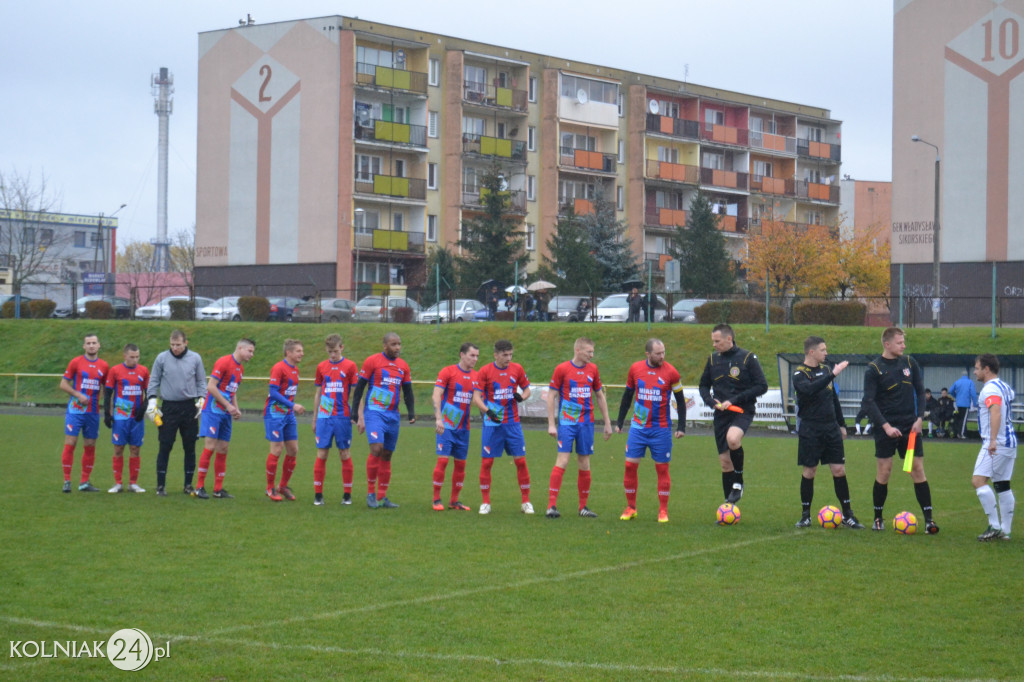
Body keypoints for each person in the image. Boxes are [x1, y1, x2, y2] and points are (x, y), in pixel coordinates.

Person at [861, 327, 938, 533]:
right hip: (886, 429)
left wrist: (920, 418)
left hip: (910, 430)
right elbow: (868, 402)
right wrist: (885, 426)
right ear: (887, 344)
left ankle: (929, 520)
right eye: (899, 342)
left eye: (904, 342)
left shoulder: (910, 363)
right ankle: (878, 518)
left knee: (916, 470)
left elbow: (921, 392)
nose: (903, 346)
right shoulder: (874, 369)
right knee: (884, 472)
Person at [792, 336, 865, 529]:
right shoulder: (800, 374)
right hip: (810, 429)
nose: (826, 353)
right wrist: (833, 374)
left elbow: (833, 400)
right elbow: (809, 390)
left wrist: (841, 425)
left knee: (839, 470)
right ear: (811, 352)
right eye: (823, 350)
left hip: (830, 428)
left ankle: (848, 515)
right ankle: (805, 515)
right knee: (810, 470)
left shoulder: (825, 370)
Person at [614, 338, 685, 523]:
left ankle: (663, 510)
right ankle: (631, 507)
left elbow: (681, 400)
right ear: (648, 354)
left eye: (663, 353)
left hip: (660, 428)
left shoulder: (671, 372)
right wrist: (620, 421)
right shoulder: (635, 369)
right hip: (638, 427)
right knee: (629, 465)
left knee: (662, 469)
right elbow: (627, 395)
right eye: (658, 353)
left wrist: (681, 426)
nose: (662, 356)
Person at [698, 323, 768, 504]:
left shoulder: (747, 358)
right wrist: (711, 402)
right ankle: (729, 507)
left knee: (733, 439)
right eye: (712, 341)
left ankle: (739, 481)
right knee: (725, 463)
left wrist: (735, 399)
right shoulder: (712, 360)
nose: (714, 344)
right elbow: (703, 385)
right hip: (721, 414)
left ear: (729, 338)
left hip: (742, 410)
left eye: (717, 341)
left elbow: (762, 386)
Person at [545, 337, 613, 518]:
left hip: (586, 423)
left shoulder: (593, 369)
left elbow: (599, 396)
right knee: (563, 460)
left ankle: (583, 507)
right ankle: (551, 506)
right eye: (589, 351)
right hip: (567, 422)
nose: (592, 355)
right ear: (578, 350)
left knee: (584, 462)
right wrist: (552, 424)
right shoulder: (562, 369)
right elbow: (551, 396)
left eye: (593, 351)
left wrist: (607, 423)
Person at [350, 332, 415, 509]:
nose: (398, 348)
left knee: (387, 454)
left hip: (392, 415)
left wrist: (411, 413)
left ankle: (382, 496)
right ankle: (371, 493)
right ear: (384, 346)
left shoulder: (403, 366)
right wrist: (355, 413)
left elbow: (407, 391)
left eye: (399, 344)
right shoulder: (372, 361)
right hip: (374, 413)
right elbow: (359, 388)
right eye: (393, 344)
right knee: (376, 448)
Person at [472, 339, 534, 514]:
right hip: (492, 423)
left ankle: (526, 501)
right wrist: (487, 411)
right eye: (505, 355)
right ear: (496, 355)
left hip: (513, 423)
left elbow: (527, 389)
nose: (508, 358)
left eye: (510, 354)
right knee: (487, 462)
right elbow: (476, 397)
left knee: (520, 461)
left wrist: (522, 397)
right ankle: (485, 502)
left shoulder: (517, 369)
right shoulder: (485, 371)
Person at [193, 338, 255, 500]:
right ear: (240, 348)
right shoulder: (224, 362)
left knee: (223, 448)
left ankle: (218, 489)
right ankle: (199, 487)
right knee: (210, 446)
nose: (252, 354)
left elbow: (231, 391)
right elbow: (211, 386)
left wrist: (236, 408)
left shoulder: (240, 368)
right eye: (250, 351)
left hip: (225, 412)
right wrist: (228, 405)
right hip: (213, 410)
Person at [147, 329, 206, 497]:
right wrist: (152, 400)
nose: (175, 348)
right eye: (172, 345)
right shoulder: (162, 358)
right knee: (165, 445)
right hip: (169, 407)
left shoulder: (195, 358)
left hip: (189, 408)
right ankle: (160, 485)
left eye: (178, 345)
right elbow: (154, 380)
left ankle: (188, 484)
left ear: (185, 343)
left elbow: (201, 380)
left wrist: (202, 399)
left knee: (190, 446)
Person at [971, 354, 1016, 541]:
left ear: (986, 369)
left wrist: (992, 440)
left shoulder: (989, 389)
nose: (975, 371)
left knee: (978, 481)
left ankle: (995, 526)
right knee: (1002, 485)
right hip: (1010, 442)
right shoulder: (1004, 386)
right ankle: (1005, 530)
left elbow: (995, 412)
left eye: (977, 368)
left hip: (996, 443)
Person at [431, 343, 480, 511]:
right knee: (443, 460)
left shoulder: (477, 376)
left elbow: (478, 401)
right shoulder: (448, 372)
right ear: (462, 355)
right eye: (472, 355)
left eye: (477, 356)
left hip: (464, 428)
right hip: (446, 425)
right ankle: (436, 499)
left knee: (461, 464)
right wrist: (438, 418)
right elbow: (436, 394)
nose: (475, 359)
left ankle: (454, 501)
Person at [59, 333, 109, 492]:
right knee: (71, 442)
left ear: (99, 345)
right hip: (75, 411)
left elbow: (106, 388)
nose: (91, 346)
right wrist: (78, 394)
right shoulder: (76, 362)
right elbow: (63, 384)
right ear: (84, 346)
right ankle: (67, 481)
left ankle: (84, 482)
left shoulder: (104, 366)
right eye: (88, 343)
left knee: (90, 445)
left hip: (92, 412)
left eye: (94, 342)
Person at [312, 334, 359, 506]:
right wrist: (315, 417)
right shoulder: (321, 367)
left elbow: (357, 393)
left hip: (342, 416)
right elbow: (318, 393)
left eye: (335, 351)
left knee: (344, 453)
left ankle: (347, 494)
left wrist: (358, 415)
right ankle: (318, 494)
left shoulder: (350, 366)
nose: (332, 354)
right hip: (324, 416)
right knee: (322, 453)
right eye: (330, 351)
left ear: (342, 348)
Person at [103, 343, 149, 493]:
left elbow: (149, 392)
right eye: (132, 357)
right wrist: (107, 413)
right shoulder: (115, 370)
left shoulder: (143, 371)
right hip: (121, 414)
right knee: (118, 448)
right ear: (125, 356)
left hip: (136, 416)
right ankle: (118, 483)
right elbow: (108, 393)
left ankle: (133, 483)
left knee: (135, 448)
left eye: (137, 357)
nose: (135, 360)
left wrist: (143, 407)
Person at [264, 339, 306, 501]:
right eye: (298, 351)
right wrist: (293, 405)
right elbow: (273, 392)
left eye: (301, 351)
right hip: (275, 413)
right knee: (277, 449)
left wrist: (291, 407)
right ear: (288, 353)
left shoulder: (295, 370)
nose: (302, 354)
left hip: (288, 414)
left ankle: (282, 486)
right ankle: (270, 488)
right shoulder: (279, 367)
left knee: (293, 450)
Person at [950, 370, 979, 439]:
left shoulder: (957, 382)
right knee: (963, 420)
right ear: (967, 375)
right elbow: (973, 394)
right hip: (965, 404)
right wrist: (974, 403)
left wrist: (955, 396)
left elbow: (950, 390)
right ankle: (961, 434)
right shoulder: (970, 382)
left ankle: (958, 432)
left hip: (958, 404)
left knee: (959, 419)